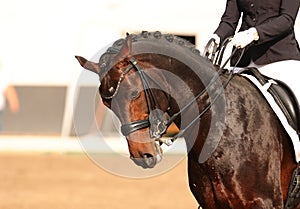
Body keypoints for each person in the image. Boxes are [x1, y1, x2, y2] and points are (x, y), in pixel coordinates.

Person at [210, 0, 300, 101]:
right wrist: (217, 37)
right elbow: (229, 21)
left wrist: (254, 34)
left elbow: (287, 19)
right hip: (244, 59)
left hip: (279, 58)